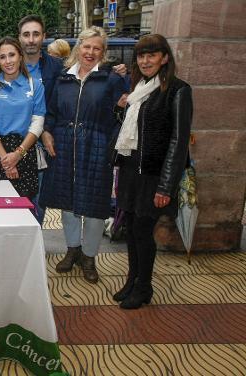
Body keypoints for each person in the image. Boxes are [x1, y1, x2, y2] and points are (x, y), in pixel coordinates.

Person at [39, 26, 126, 284]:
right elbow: (52, 111)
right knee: (68, 202)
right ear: (79, 47)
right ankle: (72, 250)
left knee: (96, 206)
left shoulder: (111, 79)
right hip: (65, 144)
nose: (90, 52)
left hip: (97, 145)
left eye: (96, 48)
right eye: (86, 47)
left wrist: (109, 144)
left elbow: (123, 114)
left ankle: (89, 257)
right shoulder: (64, 77)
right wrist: (47, 132)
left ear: (103, 51)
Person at [112, 34, 192, 309]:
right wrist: (120, 108)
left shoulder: (178, 90)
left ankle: (144, 287)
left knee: (143, 231)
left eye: (152, 55)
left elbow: (179, 141)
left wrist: (165, 187)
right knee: (131, 230)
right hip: (131, 169)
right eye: (141, 56)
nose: (145, 60)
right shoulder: (138, 89)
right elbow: (130, 130)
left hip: (154, 175)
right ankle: (133, 279)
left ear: (164, 58)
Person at [0, 37, 46, 198]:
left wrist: (17, 154)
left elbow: (37, 124)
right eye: (2, 57)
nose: (8, 61)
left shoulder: (35, 85)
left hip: (24, 151)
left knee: (24, 212)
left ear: (20, 56)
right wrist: (6, 161)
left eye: (12, 55)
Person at [17, 15, 64, 224]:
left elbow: (59, 104)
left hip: (42, 146)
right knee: (13, 198)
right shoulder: (8, 64)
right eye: (26, 34)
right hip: (12, 141)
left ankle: (34, 246)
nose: (31, 39)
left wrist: (45, 129)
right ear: (19, 38)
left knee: (38, 199)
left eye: (36, 34)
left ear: (43, 37)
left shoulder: (57, 67)